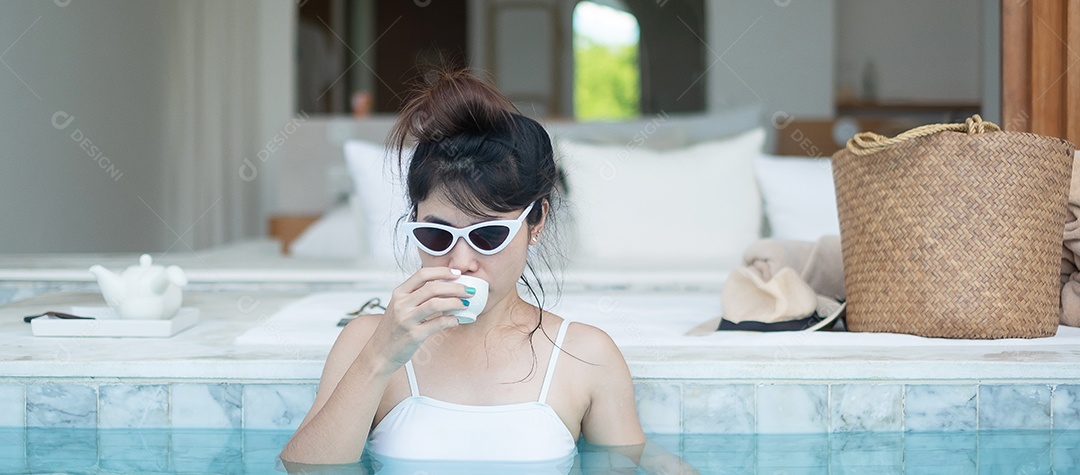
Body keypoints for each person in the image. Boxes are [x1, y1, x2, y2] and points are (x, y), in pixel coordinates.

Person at [279, 70, 648, 466]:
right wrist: (379, 357)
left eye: (488, 236)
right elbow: (303, 469)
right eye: (436, 236)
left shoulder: (587, 356)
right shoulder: (366, 342)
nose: (460, 261)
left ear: (536, 221)